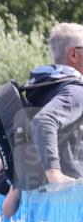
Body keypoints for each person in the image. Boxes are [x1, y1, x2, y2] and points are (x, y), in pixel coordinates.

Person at [28, 22, 83, 184]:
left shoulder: (44, 88)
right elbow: (43, 121)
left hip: (48, 198)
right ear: (73, 54)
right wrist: (54, 174)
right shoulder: (77, 90)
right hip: (73, 195)